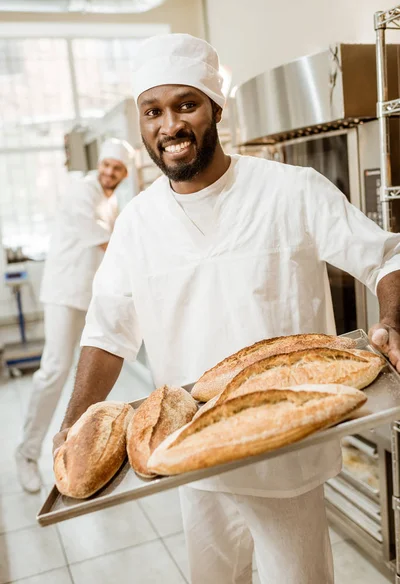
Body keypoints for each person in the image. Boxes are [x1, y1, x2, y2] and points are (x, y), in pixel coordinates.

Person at [53, 34, 400, 584]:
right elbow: (107, 331)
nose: (169, 126)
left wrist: (392, 321)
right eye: (153, 111)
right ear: (141, 124)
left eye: (185, 105)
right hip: (189, 451)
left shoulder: (290, 191)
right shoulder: (138, 224)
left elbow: (387, 256)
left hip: (286, 450)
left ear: (215, 108)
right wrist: (75, 421)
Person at [16, 138, 134, 493]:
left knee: (87, 378)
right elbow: (108, 245)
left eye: (118, 168)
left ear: (125, 173)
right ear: (99, 165)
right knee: (55, 370)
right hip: (65, 294)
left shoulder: (111, 199)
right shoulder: (82, 192)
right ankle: (26, 453)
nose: (110, 172)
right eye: (107, 165)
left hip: (90, 296)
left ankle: (81, 451)